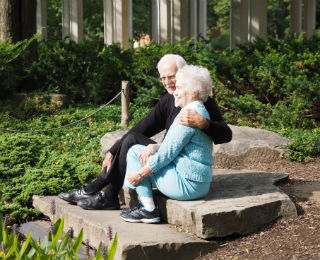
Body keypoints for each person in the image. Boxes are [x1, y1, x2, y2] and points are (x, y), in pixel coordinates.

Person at [58, 54, 232, 210]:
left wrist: (204, 123)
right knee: (132, 138)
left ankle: (106, 194)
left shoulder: (200, 102)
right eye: (163, 78)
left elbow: (226, 135)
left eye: (171, 76)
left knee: (133, 145)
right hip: (170, 154)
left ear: (183, 75)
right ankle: (98, 190)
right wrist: (112, 150)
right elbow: (142, 128)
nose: (167, 82)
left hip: (180, 163)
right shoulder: (168, 100)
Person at [120, 65, 214, 223]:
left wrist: (140, 174)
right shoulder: (199, 110)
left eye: (179, 87)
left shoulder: (187, 116)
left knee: (136, 151)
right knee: (145, 151)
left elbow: (167, 154)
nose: (175, 92)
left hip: (187, 185)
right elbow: (175, 146)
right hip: (199, 183)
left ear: (195, 92)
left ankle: (148, 209)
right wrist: (154, 147)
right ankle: (146, 204)